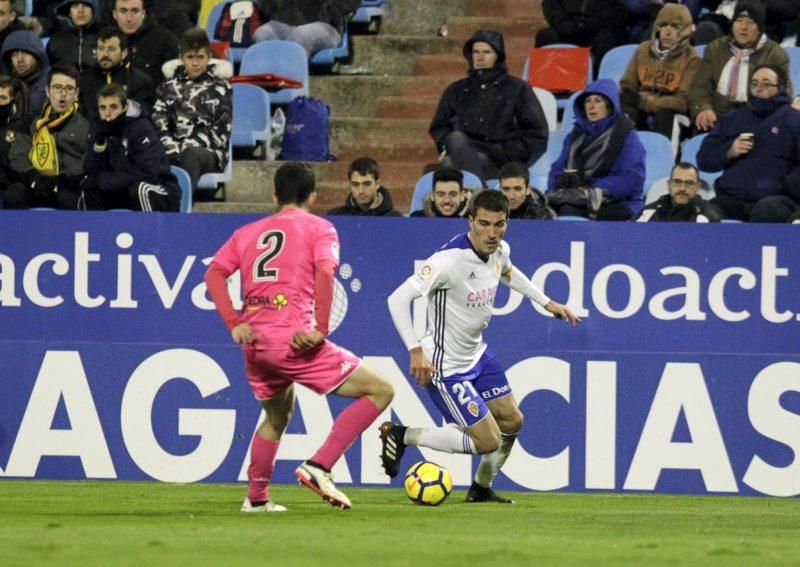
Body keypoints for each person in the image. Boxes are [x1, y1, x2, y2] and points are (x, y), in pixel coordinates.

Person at [204, 162, 394, 512]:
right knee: (382, 390)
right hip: (294, 342)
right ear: (313, 196)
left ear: (275, 196)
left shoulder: (247, 232)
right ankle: (320, 465)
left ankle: (257, 499)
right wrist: (320, 329)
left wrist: (234, 322)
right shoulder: (320, 228)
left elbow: (214, 274)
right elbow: (325, 271)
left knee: (277, 416)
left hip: (256, 345)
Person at [383, 190, 580, 503]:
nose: (492, 233)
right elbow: (397, 299)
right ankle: (404, 435)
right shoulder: (447, 262)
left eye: (499, 225)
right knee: (487, 441)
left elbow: (509, 272)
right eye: (484, 224)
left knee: (513, 420)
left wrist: (546, 302)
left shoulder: (499, 250)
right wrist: (415, 350)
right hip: (446, 367)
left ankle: (480, 488)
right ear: (470, 220)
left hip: (478, 356)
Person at [429, 30, 548, 184]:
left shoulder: (517, 88)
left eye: (487, 52)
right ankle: (480, 195)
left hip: (500, 160)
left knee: (449, 165)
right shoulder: (456, 90)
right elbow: (439, 126)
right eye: (476, 52)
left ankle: (475, 196)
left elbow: (537, 132)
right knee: (453, 144)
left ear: (497, 55)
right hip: (464, 152)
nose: (480, 57)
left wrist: (507, 152)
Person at [697, 63, 800, 222]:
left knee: (766, 210)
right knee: (704, 213)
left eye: (766, 84)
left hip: (776, 201)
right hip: (731, 198)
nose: (759, 88)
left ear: (780, 88)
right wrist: (728, 152)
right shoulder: (732, 118)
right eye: (754, 83)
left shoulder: (793, 120)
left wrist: (783, 187)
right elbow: (704, 159)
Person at [547, 78, 646, 220]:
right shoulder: (575, 135)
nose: (591, 106)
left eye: (598, 101)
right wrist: (559, 180)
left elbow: (633, 179)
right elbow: (556, 168)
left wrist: (591, 187)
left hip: (621, 202)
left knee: (569, 209)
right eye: (588, 101)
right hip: (578, 198)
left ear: (609, 105)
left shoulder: (625, 134)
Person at [688, 1, 791, 133]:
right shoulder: (715, 48)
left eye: (751, 22)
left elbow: (784, 94)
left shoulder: (776, 55)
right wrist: (703, 108)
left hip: (756, 121)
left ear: (759, 28)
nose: (743, 27)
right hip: (716, 119)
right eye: (739, 20)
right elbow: (699, 87)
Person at [152, 28, 232, 193]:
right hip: (171, 149)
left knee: (190, 155)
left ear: (209, 57)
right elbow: (158, 120)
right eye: (190, 57)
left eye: (200, 57)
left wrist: (185, 147)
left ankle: (181, 209)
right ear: (181, 58)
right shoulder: (167, 87)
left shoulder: (221, 88)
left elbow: (221, 131)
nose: (195, 63)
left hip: (208, 152)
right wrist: (170, 145)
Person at [80, 83, 179, 211]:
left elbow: (148, 173)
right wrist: (99, 143)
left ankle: (148, 231)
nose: (107, 113)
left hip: (160, 188)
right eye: (102, 108)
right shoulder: (99, 129)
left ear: (124, 107)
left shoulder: (141, 128)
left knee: (141, 189)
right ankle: (98, 231)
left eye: (113, 107)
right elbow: (92, 171)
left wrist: (102, 181)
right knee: (89, 188)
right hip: (123, 189)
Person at [4, 63, 88, 209]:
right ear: (47, 91)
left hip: (67, 186)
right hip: (35, 185)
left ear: (76, 94)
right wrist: (33, 178)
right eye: (57, 88)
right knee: (14, 193)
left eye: (69, 88)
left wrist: (61, 180)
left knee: (69, 198)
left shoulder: (86, 124)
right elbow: (18, 157)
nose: (63, 94)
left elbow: (86, 162)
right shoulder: (31, 122)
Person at [620, 3, 702, 138]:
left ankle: (665, 157)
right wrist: (639, 101)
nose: (667, 31)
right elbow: (627, 86)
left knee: (664, 114)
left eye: (675, 27)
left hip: (671, 112)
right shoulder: (643, 50)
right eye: (664, 25)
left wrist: (649, 103)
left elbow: (682, 101)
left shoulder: (692, 59)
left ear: (685, 30)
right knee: (626, 110)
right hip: (641, 106)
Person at [78, 26, 155, 118]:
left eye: (111, 49)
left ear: (124, 53)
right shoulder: (84, 79)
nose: (105, 54)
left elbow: (142, 117)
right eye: (101, 48)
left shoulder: (141, 82)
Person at [536, 0, 628, 75]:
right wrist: (562, 22)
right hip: (567, 27)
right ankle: (545, 83)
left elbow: (620, 11)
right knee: (546, 35)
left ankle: (599, 84)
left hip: (597, 29)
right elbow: (550, 4)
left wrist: (592, 24)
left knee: (609, 39)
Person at [253, 0, 359, 56]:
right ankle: (271, 80)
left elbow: (350, 2)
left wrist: (325, 13)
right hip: (288, 23)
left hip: (326, 26)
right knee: (262, 34)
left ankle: (290, 81)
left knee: (302, 34)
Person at [111, 0, 179, 84]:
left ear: (143, 13)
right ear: (114, 14)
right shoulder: (102, 41)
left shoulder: (166, 40)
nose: (129, 18)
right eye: (123, 11)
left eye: (135, 11)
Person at [635, 162, 720, 222]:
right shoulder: (650, 211)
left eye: (689, 183)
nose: (682, 188)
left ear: (697, 188)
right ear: (669, 185)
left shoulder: (709, 217)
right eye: (677, 182)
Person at [327, 156, 403, 216]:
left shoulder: (395, 219)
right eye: (355, 185)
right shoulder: (336, 216)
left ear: (377, 184)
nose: (361, 191)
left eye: (367, 184)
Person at [0, 29, 49, 117]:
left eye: (26, 52)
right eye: (14, 54)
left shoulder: (52, 81)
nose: (19, 59)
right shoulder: (5, 85)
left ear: (37, 55)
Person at [46, 0, 100, 72]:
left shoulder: (105, 37)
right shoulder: (55, 41)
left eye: (86, 5)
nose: (80, 11)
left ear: (94, 10)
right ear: (69, 12)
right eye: (75, 6)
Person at [409, 166, 474, 218]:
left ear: (462, 196)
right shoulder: (418, 219)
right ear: (432, 196)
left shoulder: (474, 220)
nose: (447, 201)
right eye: (441, 194)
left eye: (453, 194)